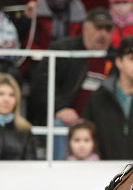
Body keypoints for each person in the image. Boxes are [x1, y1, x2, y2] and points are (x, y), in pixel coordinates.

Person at [28, 8, 113, 159]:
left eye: (108, 29)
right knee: (58, 123)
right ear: (85, 28)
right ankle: (58, 171)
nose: (103, 34)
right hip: (65, 121)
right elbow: (41, 83)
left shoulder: (114, 57)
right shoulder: (62, 50)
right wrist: (59, 108)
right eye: (99, 28)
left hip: (96, 123)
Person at [0, 72, 33, 159]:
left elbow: (31, 164)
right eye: (1, 94)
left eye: (12, 95)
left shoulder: (25, 129)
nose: (6, 99)